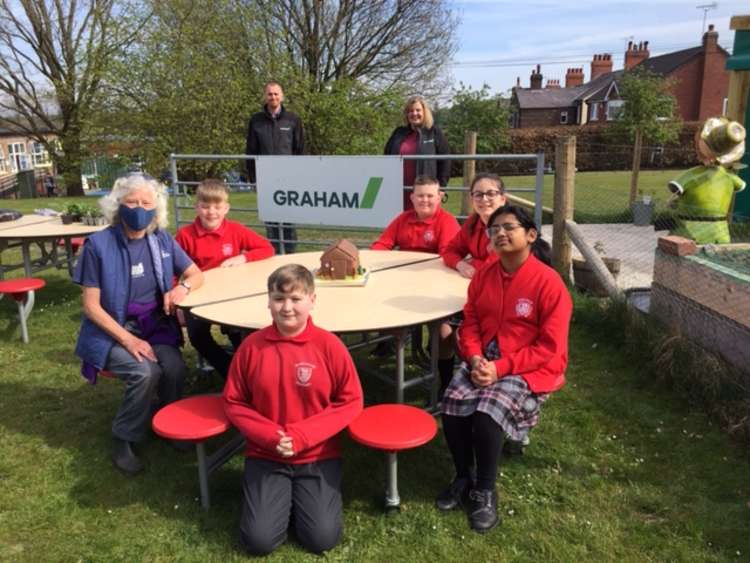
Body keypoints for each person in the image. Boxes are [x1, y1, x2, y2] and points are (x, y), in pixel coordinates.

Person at [436, 205, 572, 533]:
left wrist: (500, 368)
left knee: (486, 413)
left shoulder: (549, 284)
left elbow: (549, 348)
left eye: (508, 227)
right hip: (485, 361)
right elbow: (469, 324)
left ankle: (485, 490)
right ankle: (463, 476)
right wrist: (473, 358)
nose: (499, 233)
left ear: (530, 235)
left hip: (528, 366)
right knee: (452, 403)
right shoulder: (485, 274)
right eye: (493, 229)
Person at [223, 264, 363, 556]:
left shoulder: (330, 346)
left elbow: (350, 401)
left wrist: (301, 436)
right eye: (278, 298)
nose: (287, 308)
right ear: (268, 301)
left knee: (321, 539)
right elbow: (234, 401)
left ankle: (301, 499)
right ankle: (276, 500)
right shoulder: (251, 348)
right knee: (259, 541)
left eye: (296, 299)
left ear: (312, 300)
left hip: (317, 455)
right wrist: (271, 436)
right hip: (266, 454)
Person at [73, 173, 204, 475]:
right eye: (132, 202)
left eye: (146, 203)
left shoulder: (161, 239)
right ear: (118, 205)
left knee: (173, 366)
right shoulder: (98, 245)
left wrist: (180, 289)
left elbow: (196, 275)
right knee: (145, 371)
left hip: (154, 324)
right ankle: (123, 437)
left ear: (156, 208)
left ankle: (167, 421)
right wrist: (128, 340)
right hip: (113, 330)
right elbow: (91, 307)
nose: (139, 208)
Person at [175, 178, 275, 377]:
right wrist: (175, 302)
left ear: (226, 208)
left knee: (240, 331)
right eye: (205, 206)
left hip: (231, 294)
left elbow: (267, 248)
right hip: (197, 296)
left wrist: (243, 257)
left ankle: (250, 371)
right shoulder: (185, 235)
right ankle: (229, 372)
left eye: (217, 206)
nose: (211, 212)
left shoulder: (235, 230)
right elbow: (171, 267)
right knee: (197, 337)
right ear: (197, 207)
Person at [370, 174, 460, 392]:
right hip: (403, 285)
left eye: (430, 196)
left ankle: (445, 383)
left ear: (440, 197)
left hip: (436, 289)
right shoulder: (403, 219)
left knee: (442, 333)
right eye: (420, 196)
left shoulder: (447, 222)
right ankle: (392, 342)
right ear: (412, 198)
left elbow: (446, 256)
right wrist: (374, 258)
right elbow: (383, 243)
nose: (425, 200)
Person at [245, 81, 304, 254]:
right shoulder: (256, 121)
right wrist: (253, 179)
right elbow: (251, 151)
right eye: (270, 94)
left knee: (288, 220)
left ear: (282, 96)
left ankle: (291, 255)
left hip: (289, 180)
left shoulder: (293, 119)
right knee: (271, 222)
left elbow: (300, 149)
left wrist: (301, 177)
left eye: (276, 94)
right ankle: (275, 254)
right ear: (265, 96)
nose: (273, 97)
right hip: (266, 180)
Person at [384, 95, 451, 210]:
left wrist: (442, 188)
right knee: (401, 223)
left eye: (418, 110)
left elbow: (445, 161)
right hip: (399, 190)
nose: (414, 113)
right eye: (410, 111)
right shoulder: (398, 132)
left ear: (425, 112)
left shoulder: (434, 132)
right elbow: (386, 156)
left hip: (425, 191)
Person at [442, 173, 508, 279]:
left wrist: (472, 262)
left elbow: (494, 271)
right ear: (472, 199)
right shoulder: (473, 222)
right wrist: (460, 264)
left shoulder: (510, 229)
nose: (484, 199)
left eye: (491, 194)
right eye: (478, 194)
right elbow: (449, 251)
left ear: (502, 199)